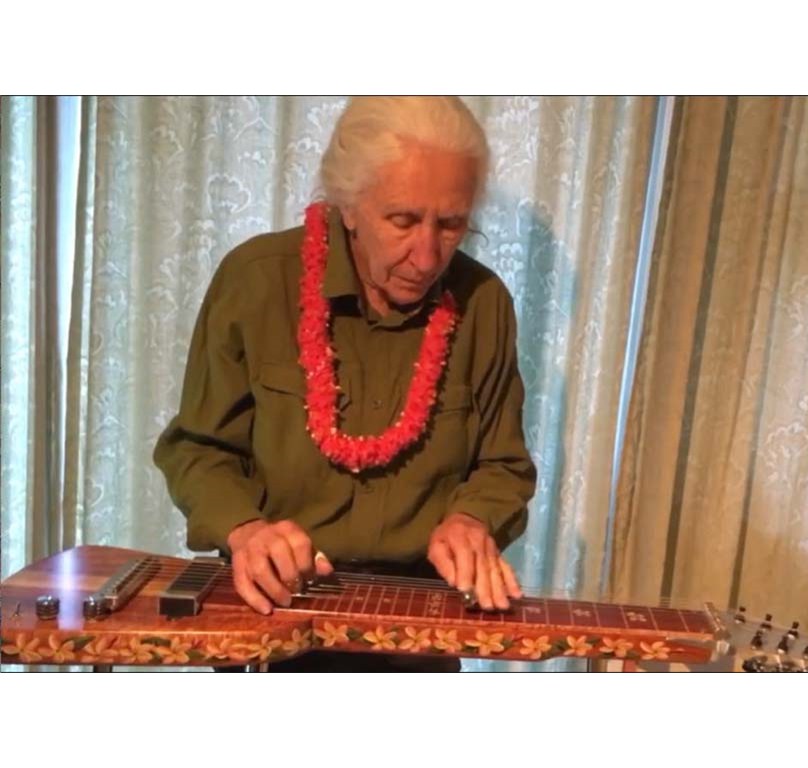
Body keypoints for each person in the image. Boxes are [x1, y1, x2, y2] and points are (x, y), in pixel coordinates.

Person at [153, 96, 537, 672]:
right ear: (348, 205)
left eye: (451, 224)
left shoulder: (484, 304)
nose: (427, 256)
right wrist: (246, 531)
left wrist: (472, 519)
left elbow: (503, 466)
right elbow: (198, 449)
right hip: (268, 612)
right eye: (403, 220)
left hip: (417, 631)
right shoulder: (255, 280)